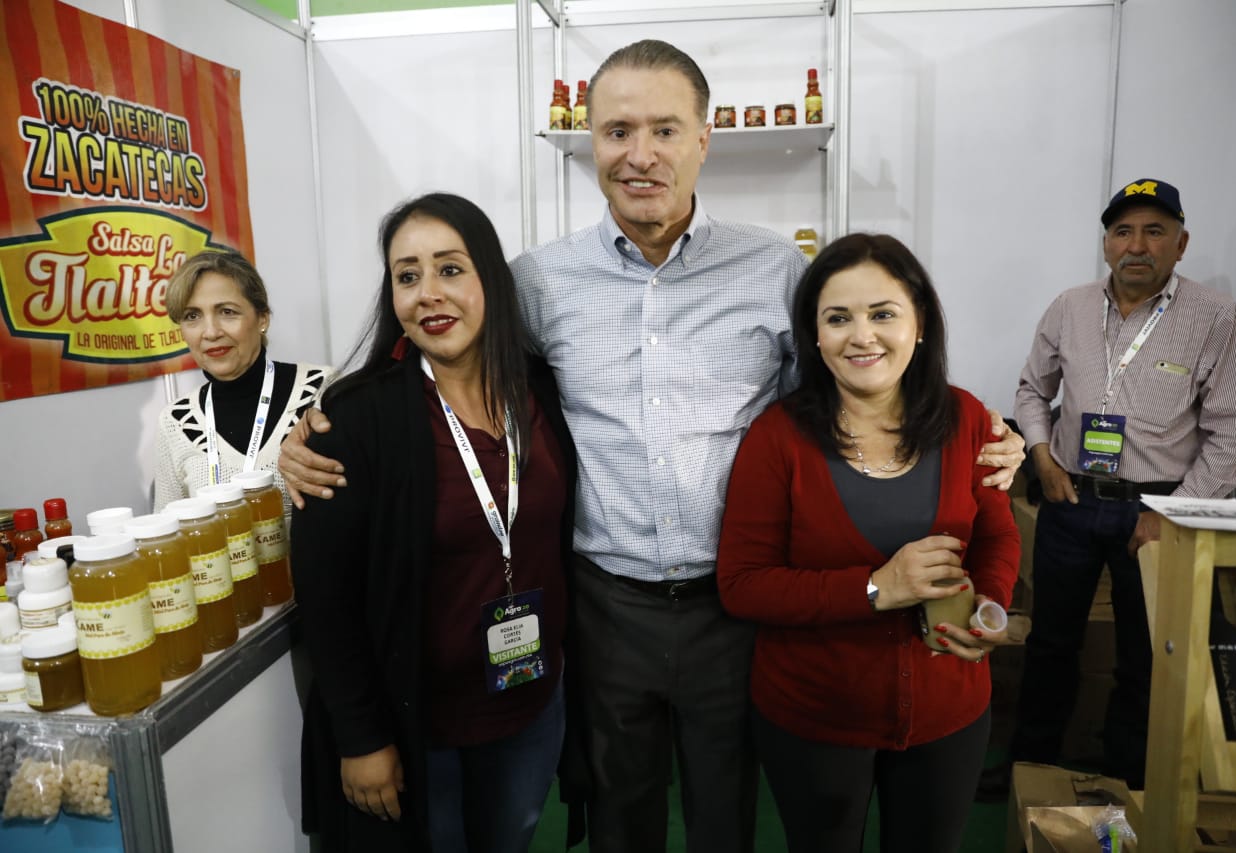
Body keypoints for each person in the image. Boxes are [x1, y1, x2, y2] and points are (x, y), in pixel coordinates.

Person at [281, 40, 1027, 853]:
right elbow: (454, 355)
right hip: (603, 605)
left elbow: (844, 399)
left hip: (733, 607)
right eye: (617, 131)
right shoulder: (540, 281)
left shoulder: (775, 270)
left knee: (723, 814)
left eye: (665, 130)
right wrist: (324, 424)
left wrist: (980, 436)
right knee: (620, 815)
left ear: (704, 139)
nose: (640, 154)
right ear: (591, 142)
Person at [289, 193, 577, 853]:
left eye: (450, 269)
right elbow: (326, 595)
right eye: (407, 275)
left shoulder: (538, 391)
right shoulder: (356, 419)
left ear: (490, 280)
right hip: (419, 721)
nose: (428, 294)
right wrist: (361, 736)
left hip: (530, 701)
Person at [717, 233, 1020, 852]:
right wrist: (878, 588)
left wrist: (987, 603)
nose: (862, 336)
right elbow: (743, 585)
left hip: (950, 711)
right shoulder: (777, 438)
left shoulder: (967, 420)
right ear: (813, 335)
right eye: (838, 318)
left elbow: (996, 534)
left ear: (920, 324)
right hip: (816, 716)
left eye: (883, 314)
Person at [988, 178, 1236, 795]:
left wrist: (1173, 511)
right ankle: (1029, 768)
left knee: (1145, 656)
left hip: (1158, 507)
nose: (1137, 245)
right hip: (1070, 499)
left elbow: (1235, 431)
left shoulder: (1215, 317)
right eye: (1123, 231)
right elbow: (1032, 390)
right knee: (1051, 643)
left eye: (1154, 231)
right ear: (1107, 243)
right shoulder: (1070, 307)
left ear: (1181, 244)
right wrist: (1042, 458)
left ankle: (1124, 783)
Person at [153, 249, 330, 511]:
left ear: (262, 319)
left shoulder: (322, 389)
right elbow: (168, 525)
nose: (210, 332)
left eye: (227, 312)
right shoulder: (175, 422)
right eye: (192, 316)